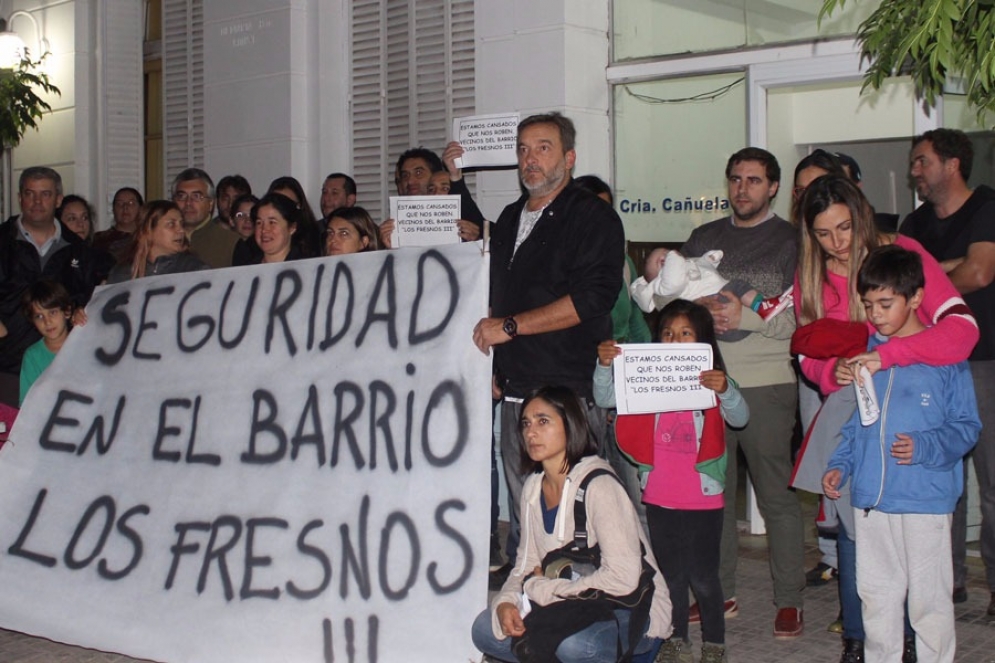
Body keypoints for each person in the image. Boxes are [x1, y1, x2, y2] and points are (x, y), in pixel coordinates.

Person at [792, 174, 978, 663]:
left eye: (846, 228)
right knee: (866, 557)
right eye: (824, 234)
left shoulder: (903, 253)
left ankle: (917, 645)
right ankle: (862, 641)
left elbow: (961, 332)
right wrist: (837, 370)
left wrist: (886, 356)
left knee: (925, 583)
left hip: (915, 419)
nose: (838, 243)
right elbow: (808, 355)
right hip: (858, 422)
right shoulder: (809, 272)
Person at [472, 112, 624, 576]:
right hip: (515, 387)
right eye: (522, 149)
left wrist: (511, 328)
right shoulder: (510, 217)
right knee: (526, 505)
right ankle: (533, 593)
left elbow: (593, 299)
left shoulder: (592, 216)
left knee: (577, 507)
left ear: (569, 157)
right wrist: (494, 367)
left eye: (542, 147)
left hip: (567, 389)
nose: (529, 159)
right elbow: (494, 296)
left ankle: (593, 601)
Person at [678, 147, 804, 638]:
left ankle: (790, 600)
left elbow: (802, 318)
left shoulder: (792, 242)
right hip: (707, 383)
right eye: (735, 179)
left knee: (776, 496)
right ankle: (718, 594)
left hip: (767, 382)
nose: (742, 189)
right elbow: (671, 303)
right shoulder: (703, 238)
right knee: (714, 498)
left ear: (773, 187)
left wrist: (743, 316)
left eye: (754, 180)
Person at [594, 299, 749, 663]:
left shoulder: (714, 381)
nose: (675, 341)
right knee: (671, 575)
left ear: (703, 341)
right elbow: (604, 397)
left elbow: (740, 417)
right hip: (660, 495)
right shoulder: (647, 381)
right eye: (667, 333)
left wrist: (725, 389)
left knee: (705, 576)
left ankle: (715, 644)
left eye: (685, 334)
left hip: (703, 497)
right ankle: (676, 637)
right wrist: (604, 366)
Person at [470, 385, 672, 663]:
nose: (531, 432)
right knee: (486, 628)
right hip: (570, 603)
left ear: (571, 425)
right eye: (526, 423)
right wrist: (507, 602)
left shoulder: (598, 485)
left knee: (577, 647)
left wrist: (541, 588)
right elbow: (525, 565)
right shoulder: (533, 487)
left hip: (629, 609)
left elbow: (623, 579)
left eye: (543, 421)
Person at [900, 127, 995, 614]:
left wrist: (933, 275)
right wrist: (945, 268)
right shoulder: (914, 223)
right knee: (942, 474)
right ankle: (947, 581)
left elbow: (981, 272)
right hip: (931, 361)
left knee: (991, 479)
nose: (915, 171)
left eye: (922, 161)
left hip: (984, 361)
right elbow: (903, 284)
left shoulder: (986, 207)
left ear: (952, 164)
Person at [0, 167, 101, 407]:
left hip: (65, 367)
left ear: (57, 199)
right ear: (19, 198)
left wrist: (80, 312)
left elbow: (89, 298)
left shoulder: (78, 249)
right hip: (8, 369)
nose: (37, 201)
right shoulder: (2, 241)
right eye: (30, 193)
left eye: (45, 194)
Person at [380, 146, 484, 247]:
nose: (410, 181)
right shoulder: (394, 228)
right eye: (405, 176)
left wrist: (476, 243)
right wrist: (390, 249)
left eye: (419, 173)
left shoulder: (466, 218)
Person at [106, 200, 209, 283]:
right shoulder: (122, 274)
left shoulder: (194, 270)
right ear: (148, 230)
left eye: (181, 224)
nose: (181, 230)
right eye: (171, 224)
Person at [171, 168, 239, 269]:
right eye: (181, 196)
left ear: (211, 204)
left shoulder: (232, 243)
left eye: (197, 196)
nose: (188, 203)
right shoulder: (160, 240)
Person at [19, 280, 73, 405]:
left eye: (52, 312)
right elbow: (27, 403)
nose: (47, 322)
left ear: (67, 312)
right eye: (39, 316)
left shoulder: (84, 345)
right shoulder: (32, 356)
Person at [267, 176, 321, 258]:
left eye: (289, 205)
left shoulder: (315, 238)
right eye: (277, 206)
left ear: (300, 206)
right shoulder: (260, 238)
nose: (283, 210)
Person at [93, 187, 144, 262]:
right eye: (119, 203)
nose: (125, 207)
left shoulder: (148, 239)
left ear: (141, 208)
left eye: (131, 203)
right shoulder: (99, 240)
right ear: (113, 209)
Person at [252, 193, 304, 264]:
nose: (264, 230)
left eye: (272, 222)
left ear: (292, 227)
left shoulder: (306, 268)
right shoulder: (245, 270)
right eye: (259, 223)